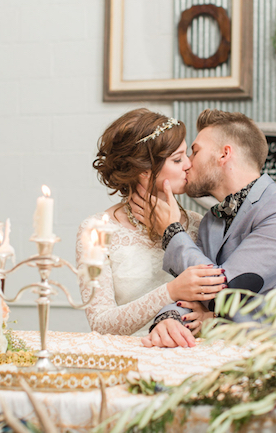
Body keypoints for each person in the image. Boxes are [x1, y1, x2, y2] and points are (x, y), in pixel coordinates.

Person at [131, 109, 276, 348]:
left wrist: (171, 231)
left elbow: (225, 291)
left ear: (224, 154)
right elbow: (190, 288)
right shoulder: (211, 221)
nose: (187, 163)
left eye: (195, 151)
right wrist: (169, 318)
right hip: (225, 352)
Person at [75, 108, 226, 337]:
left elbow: (221, 300)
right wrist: (171, 291)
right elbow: (101, 323)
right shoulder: (96, 230)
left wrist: (208, 317)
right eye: (177, 159)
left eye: (187, 155)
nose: (189, 164)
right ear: (144, 171)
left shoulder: (199, 224)